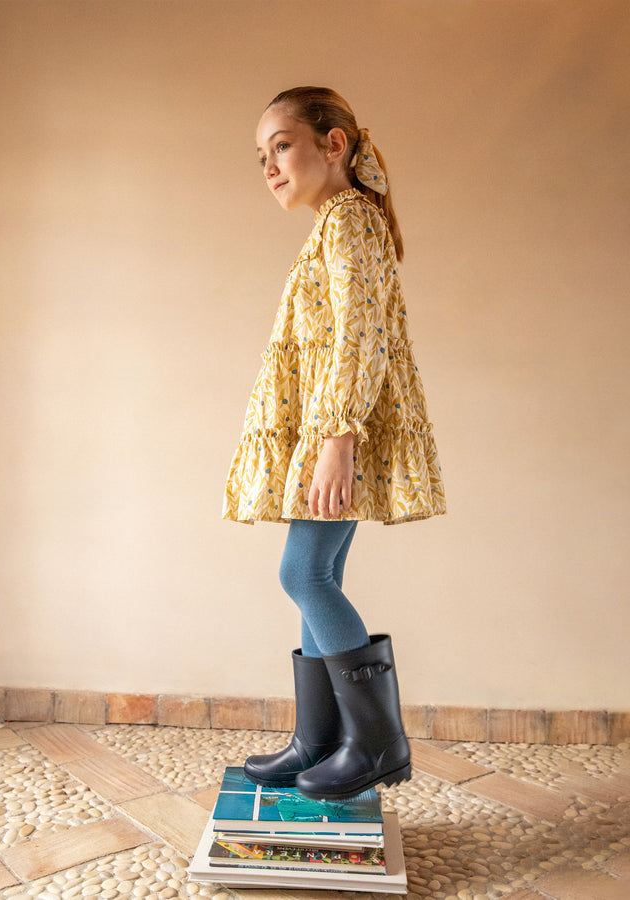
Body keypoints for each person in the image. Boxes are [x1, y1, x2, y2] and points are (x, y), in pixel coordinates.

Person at [222, 87, 446, 800]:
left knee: (304, 576)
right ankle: (319, 742)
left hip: (336, 431)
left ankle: (377, 744)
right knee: (319, 577)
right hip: (329, 428)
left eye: (281, 145)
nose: (269, 165)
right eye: (261, 156)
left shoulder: (349, 223)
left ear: (335, 144)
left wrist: (335, 440)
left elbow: (358, 340)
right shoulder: (336, 226)